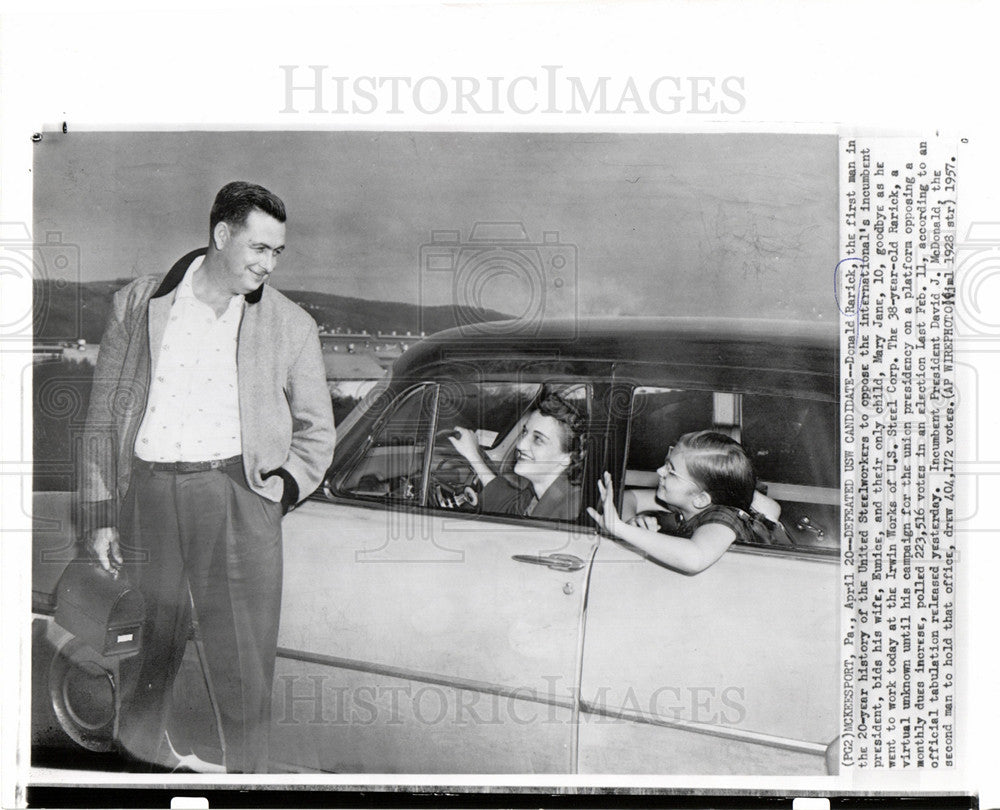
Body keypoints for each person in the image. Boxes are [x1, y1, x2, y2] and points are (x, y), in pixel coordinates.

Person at [79, 181, 336, 773]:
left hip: (236, 501)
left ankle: (248, 786)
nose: (268, 263)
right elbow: (102, 414)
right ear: (222, 236)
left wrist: (278, 493)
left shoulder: (291, 326)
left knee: (243, 669)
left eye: (277, 252)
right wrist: (100, 515)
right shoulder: (139, 305)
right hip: (149, 498)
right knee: (144, 655)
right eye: (258, 247)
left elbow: (317, 431)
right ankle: (136, 776)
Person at [588, 430, 763, 574]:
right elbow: (631, 497)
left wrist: (619, 529)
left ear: (701, 499)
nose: (660, 471)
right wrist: (630, 522)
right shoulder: (688, 503)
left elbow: (695, 558)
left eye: (671, 472)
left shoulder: (725, 518)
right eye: (667, 463)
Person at [448, 391, 586, 521]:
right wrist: (472, 455)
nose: (520, 445)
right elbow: (506, 505)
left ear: (566, 458)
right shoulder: (535, 495)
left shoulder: (573, 510)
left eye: (538, 439)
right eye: (525, 432)